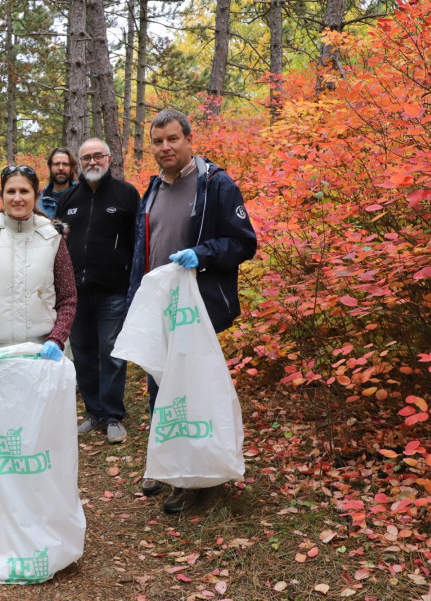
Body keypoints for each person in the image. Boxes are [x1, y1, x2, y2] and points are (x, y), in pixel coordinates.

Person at [127, 108, 256, 513]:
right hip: (158, 306)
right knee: (158, 385)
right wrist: (135, 297)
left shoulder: (215, 184)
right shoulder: (152, 189)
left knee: (192, 391)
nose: (166, 147)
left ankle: (194, 477)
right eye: (158, 141)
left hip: (195, 308)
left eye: (173, 139)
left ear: (188, 139)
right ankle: (164, 463)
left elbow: (243, 243)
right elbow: (141, 251)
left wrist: (200, 254)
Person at [0, 165, 77, 553]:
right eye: (11, 191)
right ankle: (2, 524)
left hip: (39, 360)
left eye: (25, 191)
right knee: (1, 450)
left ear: (35, 193)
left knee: (38, 446)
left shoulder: (53, 238)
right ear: (2, 194)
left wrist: (57, 339)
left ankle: (39, 519)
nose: (18, 198)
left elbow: (68, 298)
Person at [58, 138, 140, 443]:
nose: (92, 162)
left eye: (98, 156)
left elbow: (138, 242)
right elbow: (58, 244)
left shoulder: (127, 194)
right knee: (84, 354)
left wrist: (134, 283)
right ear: (79, 162)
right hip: (75, 293)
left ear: (109, 159)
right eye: (86, 157)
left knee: (112, 353)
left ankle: (113, 415)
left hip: (113, 291)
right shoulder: (69, 198)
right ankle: (93, 412)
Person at [38, 147, 78, 218]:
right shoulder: (39, 201)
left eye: (65, 164)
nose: (61, 168)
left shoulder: (81, 196)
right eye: (57, 164)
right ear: (50, 167)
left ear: (71, 168)